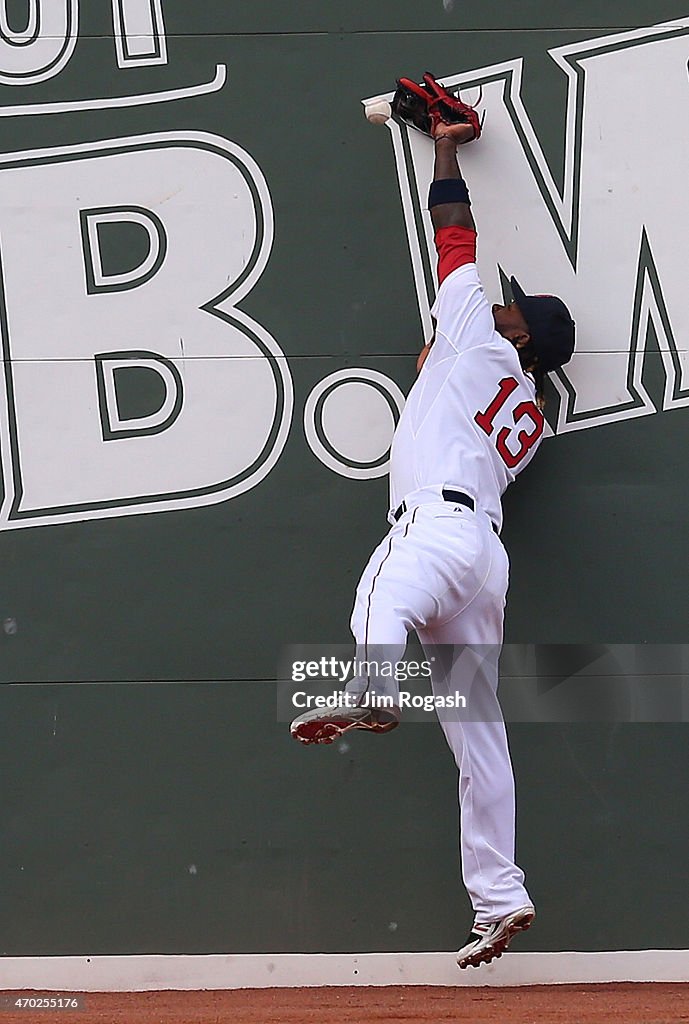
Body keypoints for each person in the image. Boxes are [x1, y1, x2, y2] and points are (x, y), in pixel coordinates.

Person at [290, 78, 575, 969]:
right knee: (477, 732)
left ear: (523, 335)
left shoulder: (481, 339)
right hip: (484, 561)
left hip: (434, 534)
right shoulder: (526, 416)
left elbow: (454, 238)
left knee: (378, 599)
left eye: (511, 307)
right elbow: (442, 375)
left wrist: (443, 145)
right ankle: (500, 897)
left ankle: (376, 686)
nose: (497, 304)